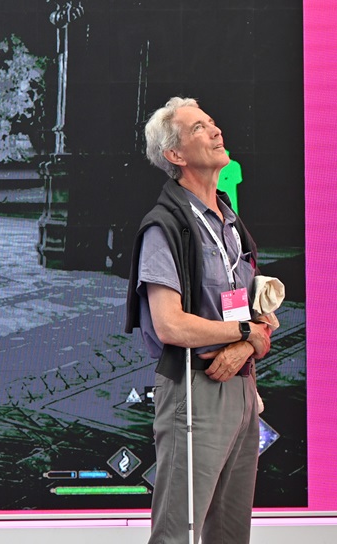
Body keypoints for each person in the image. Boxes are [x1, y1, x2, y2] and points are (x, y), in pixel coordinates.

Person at [124, 97, 272, 544]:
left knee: (230, 534)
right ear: (175, 155)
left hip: (242, 387)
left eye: (212, 122)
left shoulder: (230, 221)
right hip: (194, 389)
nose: (215, 131)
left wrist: (248, 342)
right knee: (178, 533)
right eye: (199, 128)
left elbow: (262, 315)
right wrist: (244, 332)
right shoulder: (164, 226)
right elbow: (171, 325)